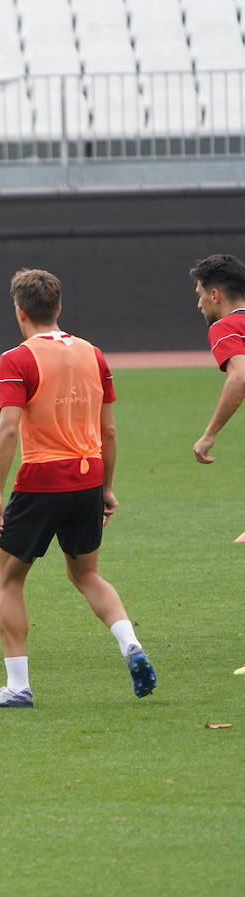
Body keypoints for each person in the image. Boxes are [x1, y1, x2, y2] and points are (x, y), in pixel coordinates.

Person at [0, 269, 155, 706]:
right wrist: (107, 487)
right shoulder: (93, 354)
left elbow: (7, 431)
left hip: (41, 479)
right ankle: (131, 644)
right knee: (86, 573)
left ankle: (18, 687)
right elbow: (108, 431)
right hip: (88, 476)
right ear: (59, 308)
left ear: (20, 312)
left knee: (9, 580)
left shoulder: (16, 359)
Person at [186, 254, 245, 676]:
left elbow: (240, 376)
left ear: (215, 293)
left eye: (199, 294)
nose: (198, 304)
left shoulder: (226, 326)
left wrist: (208, 434)